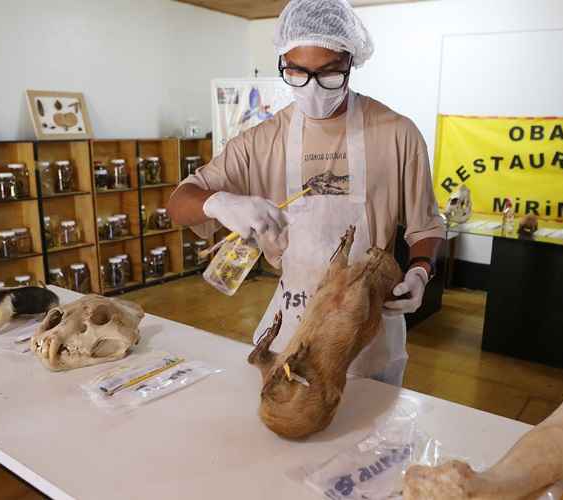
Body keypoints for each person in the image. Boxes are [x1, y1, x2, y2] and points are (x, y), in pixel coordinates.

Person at [168, 0, 444, 386]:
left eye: (329, 73)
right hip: (291, 326)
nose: (313, 87)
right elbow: (179, 204)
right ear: (282, 61)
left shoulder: (397, 134)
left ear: (351, 62)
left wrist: (420, 271)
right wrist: (219, 202)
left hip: (369, 330)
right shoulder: (261, 142)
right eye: (297, 73)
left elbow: (426, 225)